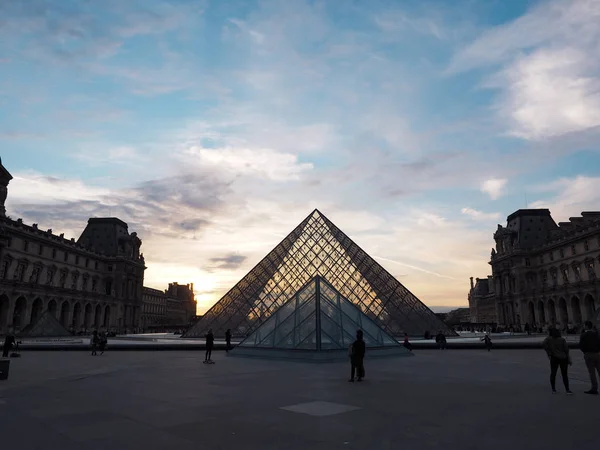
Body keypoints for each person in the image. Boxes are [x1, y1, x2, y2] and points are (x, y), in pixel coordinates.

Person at [542, 327, 573, 395]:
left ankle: (553, 389)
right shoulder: (562, 339)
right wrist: (569, 359)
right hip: (563, 358)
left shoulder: (549, 339)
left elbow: (543, 344)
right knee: (564, 374)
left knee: (553, 373)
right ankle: (567, 390)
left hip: (554, 358)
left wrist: (549, 353)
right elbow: (566, 350)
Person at [579, 320, 600, 395]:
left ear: (587, 326)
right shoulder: (596, 334)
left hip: (588, 354)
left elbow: (581, 346)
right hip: (597, 354)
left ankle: (594, 389)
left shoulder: (583, 335)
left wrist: (585, 352)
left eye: (584, 325)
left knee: (592, 373)